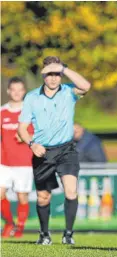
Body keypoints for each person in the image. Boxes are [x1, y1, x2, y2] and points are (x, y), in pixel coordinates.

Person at [17, 56, 91, 245]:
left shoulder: (68, 92)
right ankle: (44, 234)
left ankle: (68, 233)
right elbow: (22, 129)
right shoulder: (32, 97)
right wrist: (32, 144)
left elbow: (86, 86)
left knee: (71, 191)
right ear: (43, 74)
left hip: (66, 150)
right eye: (49, 74)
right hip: (43, 152)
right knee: (43, 197)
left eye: (56, 74)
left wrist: (64, 69)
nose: (53, 78)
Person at [1, 77, 34, 238]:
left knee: (22, 196)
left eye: (20, 89)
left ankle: (20, 227)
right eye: (13, 89)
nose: (16, 93)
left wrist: (25, 135)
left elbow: (37, 134)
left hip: (24, 162)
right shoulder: (2, 111)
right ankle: (9, 223)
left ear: (24, 91)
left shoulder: (29, 111)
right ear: (8, 91)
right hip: (4, 162)